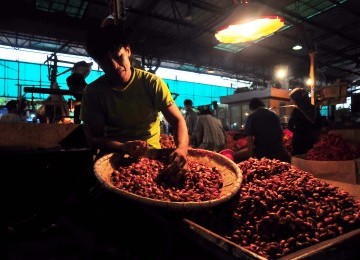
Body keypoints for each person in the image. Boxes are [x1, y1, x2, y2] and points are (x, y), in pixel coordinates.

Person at [81, 24, 188, 170]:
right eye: (105, 62)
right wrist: (123, 147)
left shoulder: (152, 83)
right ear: (98, 63)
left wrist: (182, 148)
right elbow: (94, 138)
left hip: (151, 156)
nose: (114, 66)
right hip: (113, 158)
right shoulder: (93, 92)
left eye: (118, 57)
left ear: (128, 50)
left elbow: (177, 121)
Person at [243, 98, 290, 162]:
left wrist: (250, 157)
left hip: (262, 153)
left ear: (252, 108)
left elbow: (249, 139)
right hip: (277, 151)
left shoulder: (251, 117)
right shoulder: (274, 114)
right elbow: (281, 134)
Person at [288, 87, 322, 155]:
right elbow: (319, 123)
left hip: (299, 141)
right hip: (312, 139)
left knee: (298, 161)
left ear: (296, 99)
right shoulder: (314, 107)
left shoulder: (297, 110)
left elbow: (290, 126)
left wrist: (298, 131)